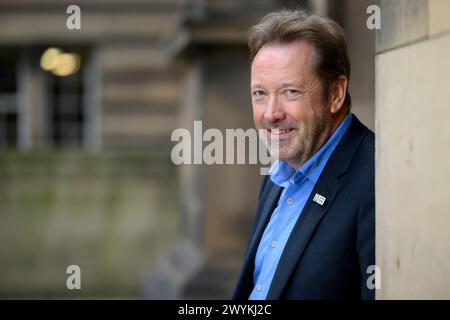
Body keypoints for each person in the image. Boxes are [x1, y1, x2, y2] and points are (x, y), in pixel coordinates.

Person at [232, 9, 375, 300]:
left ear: (335, 94)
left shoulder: (377, 177)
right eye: (260, 93)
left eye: (290, 91)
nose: (271, 114)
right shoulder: (280, 172)